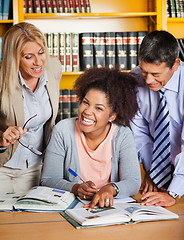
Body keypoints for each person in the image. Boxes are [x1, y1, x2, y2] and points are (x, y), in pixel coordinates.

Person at [41, 67, 141, 210]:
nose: (87, 112)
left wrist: (110, 189)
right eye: (86, 103)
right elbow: (48, 179)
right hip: (72, 211)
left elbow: (133, 182)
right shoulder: (62, 131)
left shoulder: (123, 135)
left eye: (99, 108)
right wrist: (75, 188)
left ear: (112, 116)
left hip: (110, 211)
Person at [0, 22, 62, 193]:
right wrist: (1, 140)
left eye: (41, 53)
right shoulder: (1, 79)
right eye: (28, 57)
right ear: (14, 58)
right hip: (2, 166)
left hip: (36, 167)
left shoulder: (53, 67)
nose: (38, 62)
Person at [130, 30, 184, 207]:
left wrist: (174, 192)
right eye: (145, 71)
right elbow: (139, 134)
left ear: (175, 64)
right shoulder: (135, 79)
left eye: (156, 74)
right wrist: (154, 172)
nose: (148, 80)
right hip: (158, 170)